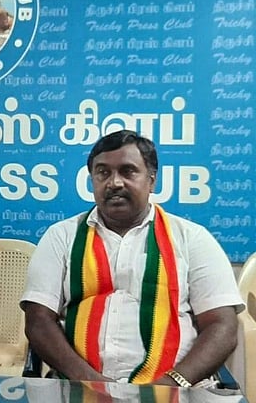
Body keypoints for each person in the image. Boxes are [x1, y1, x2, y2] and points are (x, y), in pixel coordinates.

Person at [21, 130, 244, 386]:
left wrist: (171, 384)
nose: (114, 183)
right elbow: (38, 320)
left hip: (177, 390)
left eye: (128, 171)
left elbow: (222, 325)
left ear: (152, 180)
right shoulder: (61, 236)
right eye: (103, 172)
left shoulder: (192, 238)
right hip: (77, 387)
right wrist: (92, 384)